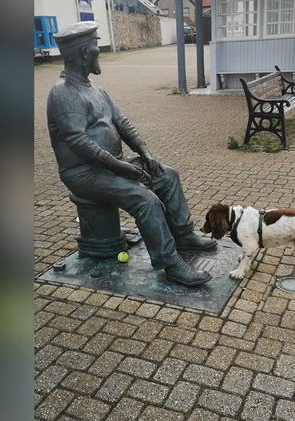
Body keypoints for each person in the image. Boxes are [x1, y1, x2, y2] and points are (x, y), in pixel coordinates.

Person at [46, 21, 216, 287]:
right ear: (83, 52)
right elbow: (79, 142)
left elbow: (122, 122)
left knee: (167, 175)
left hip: (111, 165)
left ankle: (183, 235)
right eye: (95, 46)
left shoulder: (95, 89)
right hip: (83, 173)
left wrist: (144, 152)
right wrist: (121, 168)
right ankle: (170, 263)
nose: (99, 53)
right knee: (144, 199)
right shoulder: (63, 94)